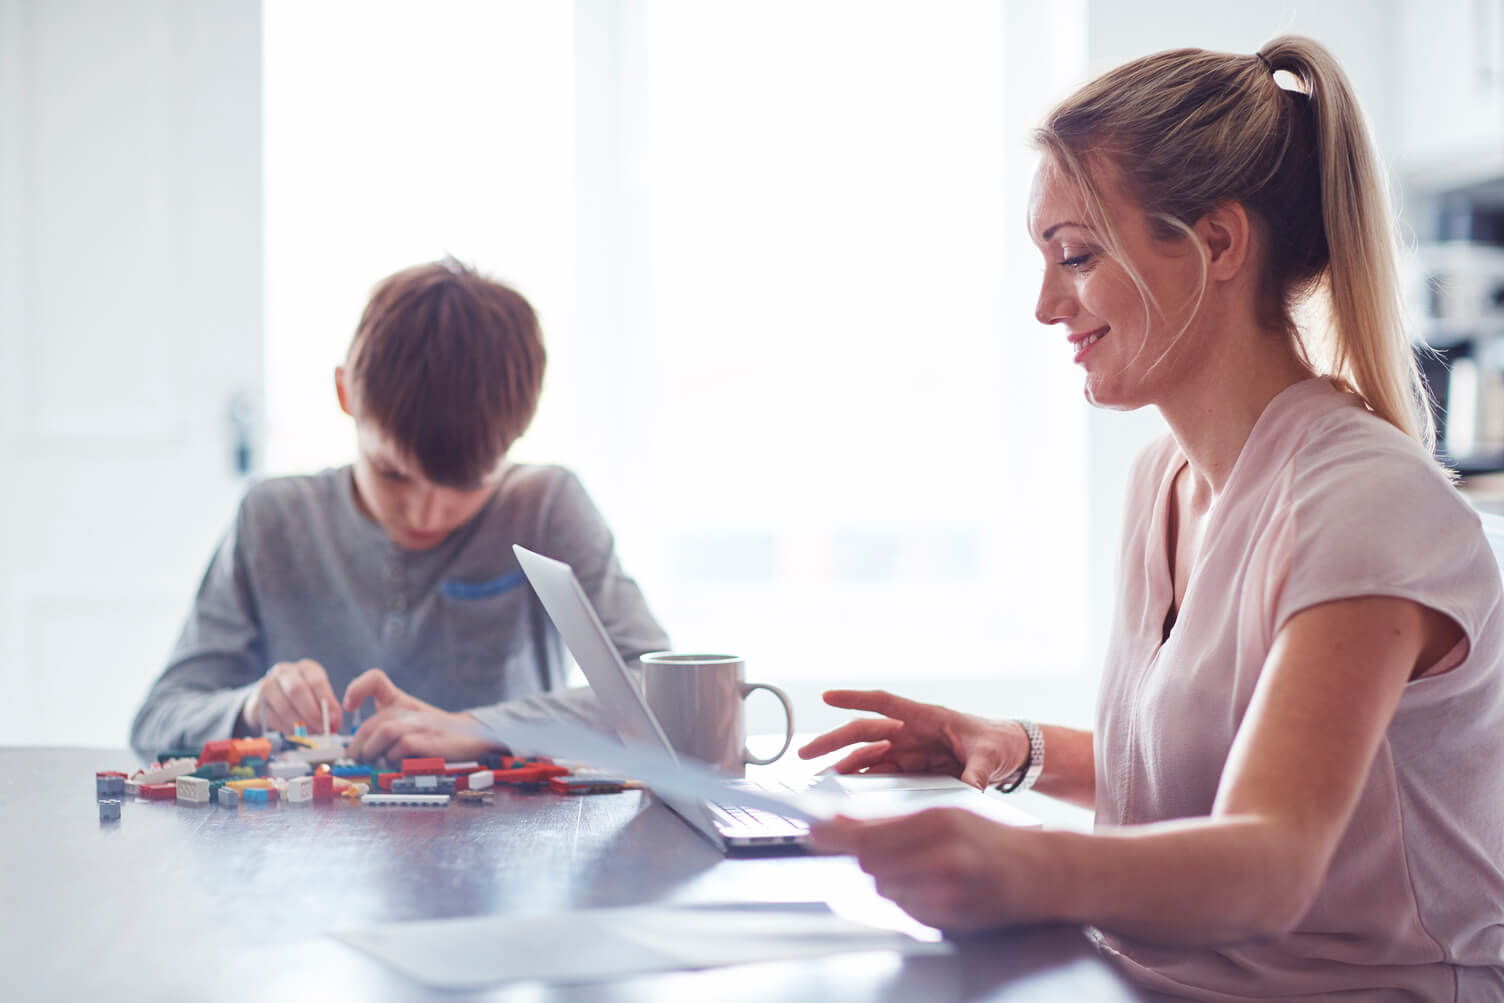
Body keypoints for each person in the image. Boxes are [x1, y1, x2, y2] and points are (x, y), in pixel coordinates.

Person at [803, 36, 1504, 999]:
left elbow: (1269, 859)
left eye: (1077, 256)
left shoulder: (1366, 500)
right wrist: (1015, 749)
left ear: (1216, 242)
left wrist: (1022, 868)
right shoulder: (1164, 480)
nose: (1050, 304)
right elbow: (1203, 779)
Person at [131, 259, 669, 764]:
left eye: (465, 485)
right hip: (313, 846)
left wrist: (481, 728)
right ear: (345, 393)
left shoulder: (546, 506)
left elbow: (660, 693)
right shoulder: (274, 517)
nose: (426, 513)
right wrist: (250, 708)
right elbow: (157, 721)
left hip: (507, 841)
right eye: (392, 473)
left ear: (518, 432)